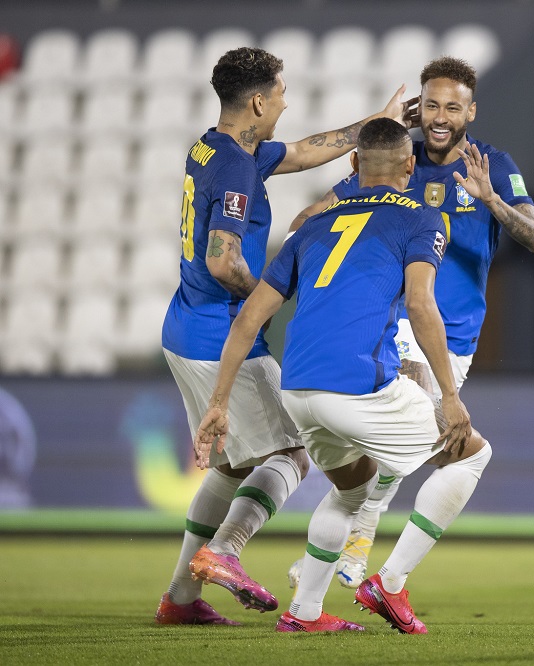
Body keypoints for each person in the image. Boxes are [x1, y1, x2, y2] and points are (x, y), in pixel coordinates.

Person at [193, 117, 493, 634]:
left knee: (354, 489)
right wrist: (449, 395)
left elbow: (248, 318)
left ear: (353, 164)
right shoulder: (423, 219)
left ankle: (305, 612)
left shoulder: (311, 225)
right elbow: (421, 305)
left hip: (298, 389)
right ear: (409, 166)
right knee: (472, 453)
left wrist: (217, 402)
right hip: (355, 385)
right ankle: (390, 583)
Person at [155, 46, 417, 626]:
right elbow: (223, 260)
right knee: (293, 452)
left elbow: (302, 152)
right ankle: (224, 552)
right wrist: (268, 293)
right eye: (279, 93)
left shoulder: (217, 147)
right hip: (218, 331)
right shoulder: (234, 168)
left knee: (230, 466)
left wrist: (378, 123)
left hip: (185, 323)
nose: (285, 102)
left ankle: (178, 600)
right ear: (257, 100)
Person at [286, 55, 534, 591]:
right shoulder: (395, 161)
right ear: (418, 108)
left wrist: (492, 200)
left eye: (453, 106)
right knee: (398, 433)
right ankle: (353, 554)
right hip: (395, 321)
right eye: (431, 104)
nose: (440, 116)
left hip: (456, 334)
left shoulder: (492, 165)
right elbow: (306, 222)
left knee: (399, 446)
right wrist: (361, 159)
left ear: (471, 111)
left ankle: (338, 554)